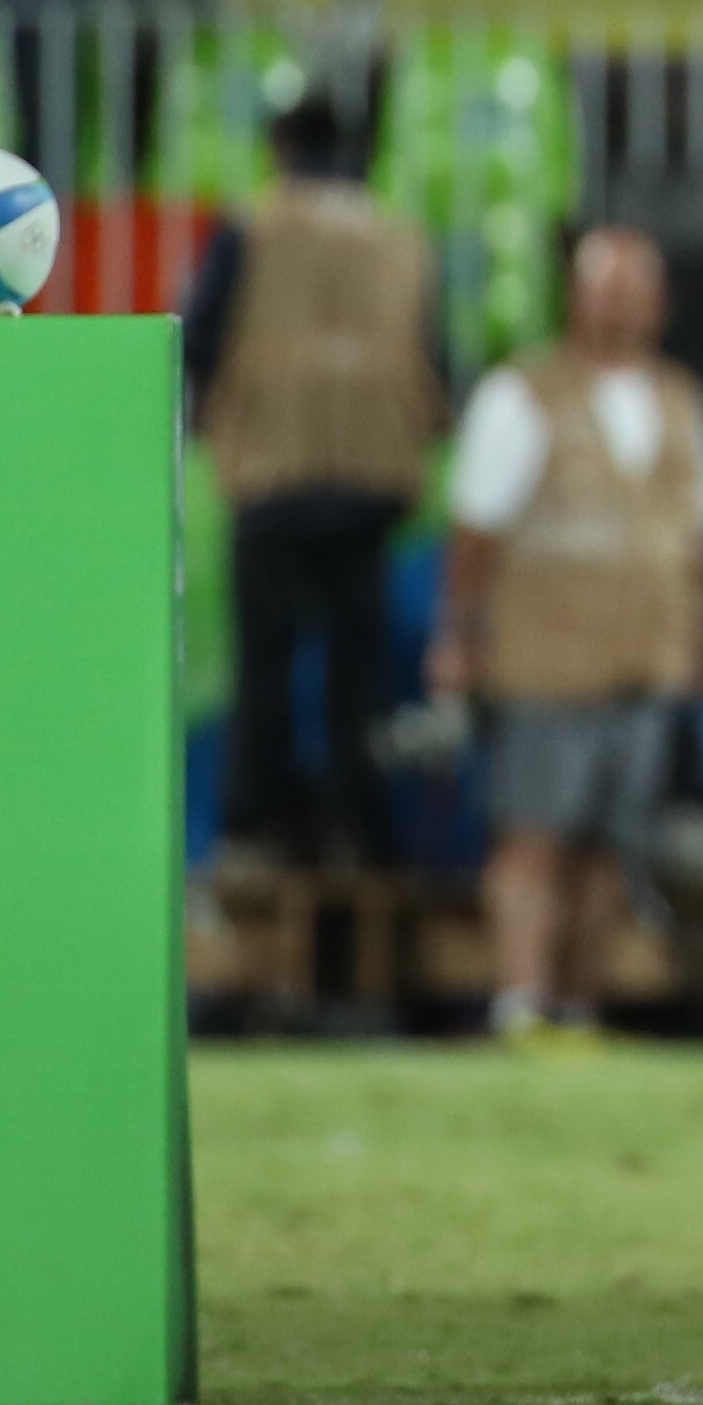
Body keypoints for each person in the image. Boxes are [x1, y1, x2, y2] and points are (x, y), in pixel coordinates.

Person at [434, 227, 703, 1045]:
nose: (621, 301)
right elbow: (474, 530)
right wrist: (457, 635)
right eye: (606, 285)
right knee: (533, 838)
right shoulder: (521, 394)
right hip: (546, 658)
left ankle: (582, 1007)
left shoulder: (683, 400)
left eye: (636, 285)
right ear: (573, 294)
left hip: (648, 656)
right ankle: (521, 1000)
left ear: (662, 302)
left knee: (612, 849)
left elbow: (701, 535)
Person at [183, 87, 446, 873]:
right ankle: (361, 833)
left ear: (282, 148)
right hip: (371, 476)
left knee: (264, 660)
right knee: (356, 675)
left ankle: (252, 829)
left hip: (272, 470)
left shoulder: (252, 226)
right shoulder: (401, 237)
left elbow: (200, 339)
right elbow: (438, 359)